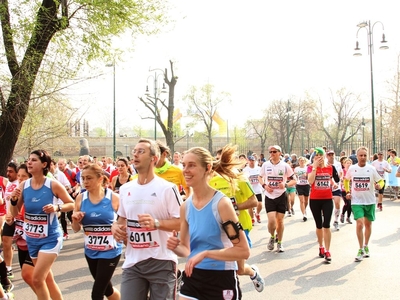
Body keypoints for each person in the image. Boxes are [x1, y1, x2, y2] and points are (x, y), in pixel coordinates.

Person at [166, 146, 251, 299]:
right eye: (184, 165)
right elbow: (186, 249)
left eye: (191, 165)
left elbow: (243, 251)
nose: (185, 170)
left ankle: (253, 272)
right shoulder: (185, 206)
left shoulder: (221, 204)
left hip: (221, 278)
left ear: (207, 168)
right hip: (193, 276)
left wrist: (206, 254)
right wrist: (175, 247)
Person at [111, 139, 182, 300]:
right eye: (134, 151)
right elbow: (121, 220)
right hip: (133, 262)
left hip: (162, 261)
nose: (135, 154)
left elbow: (183, 223)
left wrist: (157, 223)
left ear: (154, 159)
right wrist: (115, 228)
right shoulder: (125, 189)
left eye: (141, 151)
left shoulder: (167, 188)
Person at [10, 149, 75, 299]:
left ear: (44, 164)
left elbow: (71, 204)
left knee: (37, 279)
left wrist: (57, 207)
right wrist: (13, 201)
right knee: (48, 280)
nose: (29, 162)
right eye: (29, 160)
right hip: (32, 239)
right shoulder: (24, 186)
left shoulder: (52, 184)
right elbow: (15, 213)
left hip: (50, 239)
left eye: (34, 160)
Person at [209, 147, 264, 293]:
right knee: (224, 267)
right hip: (219, 229)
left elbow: (254, 202)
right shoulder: (211, 180)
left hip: (241, 227)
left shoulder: (240, 179)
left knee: (239, 269)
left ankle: (252, 272)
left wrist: (233, 207)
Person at [71, 164, 122, 300]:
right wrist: (75, 220)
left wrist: (117, 225)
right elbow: (76, 229)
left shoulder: (114, 198)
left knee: (97, 293)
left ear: (100, 179)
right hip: (91, 251)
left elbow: (125, 221)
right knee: (108, 290)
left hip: (111, 251)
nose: (85, 182)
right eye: (83, 178)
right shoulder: (80, 199)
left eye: (89, 178)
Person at [344, 147, 384, 262]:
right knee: (359, 224)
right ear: (357, 156)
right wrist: (347, 191)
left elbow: (380, 180)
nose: (363, 157)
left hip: (370, 201)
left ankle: (366, 246)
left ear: (367, 156)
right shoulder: (352, 168)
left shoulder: (371, 169)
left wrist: (379, 185)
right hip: (357, 201)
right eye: (360, 155)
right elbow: (346, 180)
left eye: (365, 155)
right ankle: (360, 248)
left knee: (368, 225)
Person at [258, 145, 296, 252]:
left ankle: (279, 243)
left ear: (280, 153)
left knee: (280, 221)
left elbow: (294, 180)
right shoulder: (265, 165)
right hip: (269, 196)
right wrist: (265, 186)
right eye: (270, 152)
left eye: (274, 151)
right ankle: (272, 236)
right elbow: (260, 177)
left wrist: (286, 185)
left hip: (281, 196)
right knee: (271, 222)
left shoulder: (285, 166)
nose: (272, 153)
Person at [307, 147, 340, 263]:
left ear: (324, 156)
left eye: (320, 156)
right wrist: (315, 168)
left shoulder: (330, 167)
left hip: (327, 199)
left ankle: (327, 250)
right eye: (316, 156)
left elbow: (330, 179)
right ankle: (320, 246)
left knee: (327, 225)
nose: (318, 158)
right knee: (319, 225)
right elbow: (310, 181)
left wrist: (334, 184)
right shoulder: (310, 168)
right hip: (315, 200)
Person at [2, 162, 19, 280]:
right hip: (9, 218)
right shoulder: (7, 183)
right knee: (6, 243)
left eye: (11, 171)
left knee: (26, 245)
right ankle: (8, 268)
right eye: (7, 171)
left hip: (20, 218)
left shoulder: (22, 183)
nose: (8, 174)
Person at [243, 155, 263, 224]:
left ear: (255, 161)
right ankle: (251, 219)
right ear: (248, 161)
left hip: (258, 189)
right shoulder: (245, 170)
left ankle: (257, 213)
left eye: (253, 160)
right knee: (250, 205)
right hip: (250, 190)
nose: (251, 162)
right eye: (250, 161)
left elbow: (262, 177)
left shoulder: (259, 169)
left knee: (260, 204)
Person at [326, 150, 343, 231]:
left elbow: (341, 173)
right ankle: (325, 220)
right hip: (326, 187)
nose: (331, 156)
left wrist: (340, 177)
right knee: (326, 206)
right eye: (329, 155)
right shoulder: (325, 164)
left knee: (337, 203)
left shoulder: (338, 164)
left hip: (336, 187)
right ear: (327, 156)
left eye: (332, 154)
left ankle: (336, 221)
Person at [294, 157, 310, 221]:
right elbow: (294, 176)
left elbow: (310, 176)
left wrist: (306, 175)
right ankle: (304, 214)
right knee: (301, 200)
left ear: (305, 161)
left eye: (303, 161)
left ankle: (304, 209)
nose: (302, 162)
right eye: (300, 161)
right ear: (299, 162)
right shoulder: (296, 169)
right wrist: (296, 178)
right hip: (299, 185)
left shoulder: (307, 168)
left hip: (306, 185)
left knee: (306, 201)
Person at [340, 158, 353, 224]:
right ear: (344, 164)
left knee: (350, 205)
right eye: (347, 163)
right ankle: (342, 214)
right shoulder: (343, 171)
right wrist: (344, 179)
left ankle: (348, 217)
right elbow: (341, 178)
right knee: (347, 203)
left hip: (351, 190)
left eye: (350, 163)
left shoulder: (353, 171)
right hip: (344, 190)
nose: (349, 164)